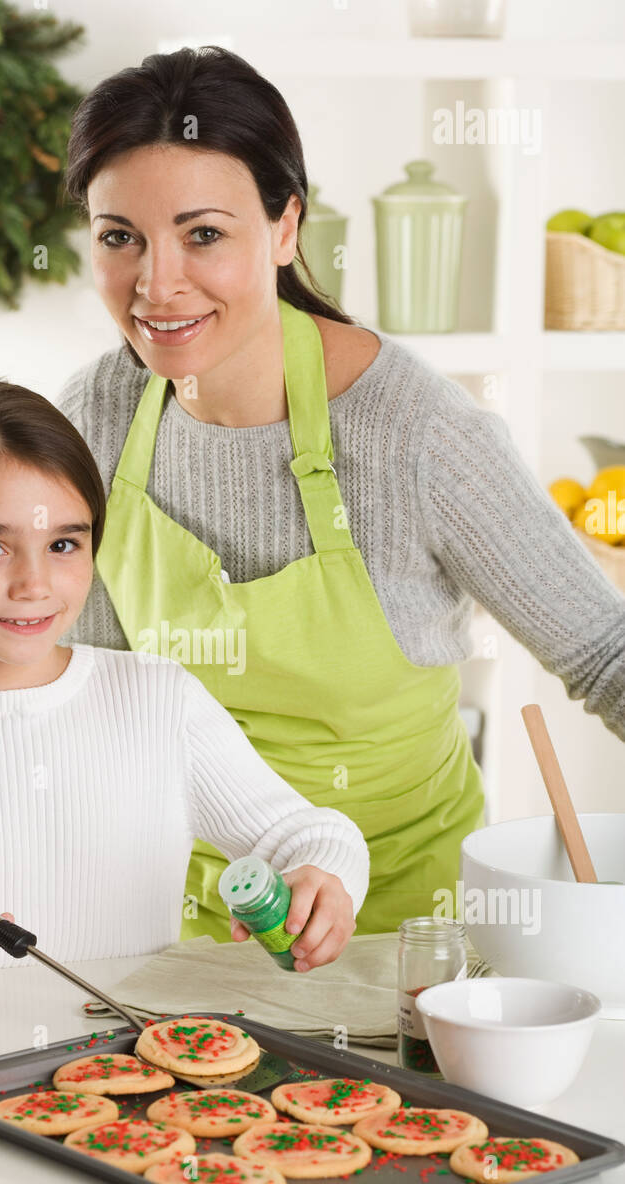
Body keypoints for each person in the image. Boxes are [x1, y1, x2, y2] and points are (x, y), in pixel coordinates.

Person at [54, 45, 625, 941]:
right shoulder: (94, 418)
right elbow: (83, 697)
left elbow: (607, 656)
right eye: (119, 236)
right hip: (174, 932)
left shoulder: (417, 436)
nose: (155, 286)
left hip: (408, 944)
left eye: (204, 234)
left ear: (285, 230)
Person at [0, 381, 369, 987]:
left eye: (62, 544)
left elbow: (304, 833)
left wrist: (323, 876)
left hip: (128, 1072)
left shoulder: (158, 700)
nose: (34, 584)